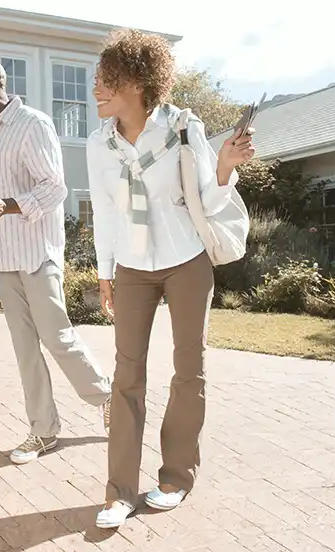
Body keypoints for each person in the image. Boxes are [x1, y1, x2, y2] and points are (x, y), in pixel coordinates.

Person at [87, 29, 255, 529]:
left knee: (188, 370)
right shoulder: (99, 145)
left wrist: (224, 166)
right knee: (126, 376)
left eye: (106, 80)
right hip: (132, 266)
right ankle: (119, 491)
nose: (96, 89)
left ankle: (176, 478)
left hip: (186, 260)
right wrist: (105, 272)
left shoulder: (182, 127)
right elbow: (104, 213)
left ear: (138, 82)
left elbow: (206, 197)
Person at [0, 58, 112, 465]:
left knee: (57, 337)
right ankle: (43, 430)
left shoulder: (32, 124)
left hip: (36, 253)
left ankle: (108, 396)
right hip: (4, 256)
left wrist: (9, 205)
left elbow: (54, 189)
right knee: (24, 347)